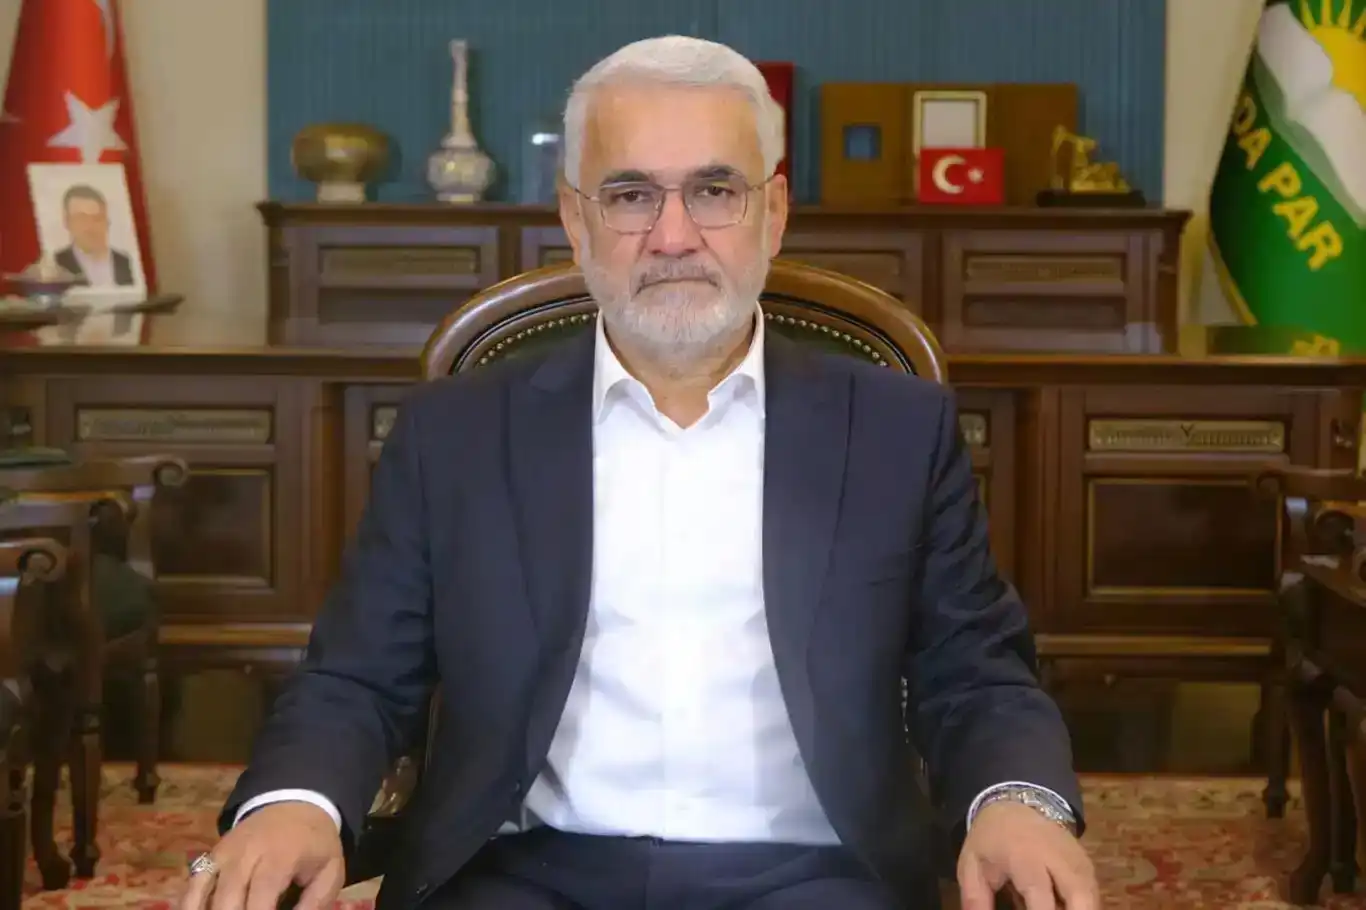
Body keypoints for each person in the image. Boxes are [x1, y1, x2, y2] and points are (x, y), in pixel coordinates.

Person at [181, 36, 1098, 910]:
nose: (673, 236)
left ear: (774, 213)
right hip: (521, 869)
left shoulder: (897, 432)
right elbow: (356, 676)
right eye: (629, 196)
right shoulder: (453, 435)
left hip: (814, 873)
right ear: (574, 220)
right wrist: (294, 803)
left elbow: (974, 672)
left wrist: (1018, 802)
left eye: (714, 191)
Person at [52, 184, 136, 287]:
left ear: (107, 222)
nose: (90, 226)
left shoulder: (125, 262)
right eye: (82, 218)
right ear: (67, 222)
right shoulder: (57, 265)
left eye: (97, 218)